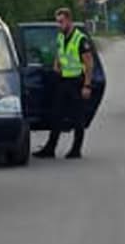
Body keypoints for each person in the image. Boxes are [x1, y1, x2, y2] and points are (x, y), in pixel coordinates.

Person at [34, 8, 94, 160]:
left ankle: (76, 150)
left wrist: (87, 85)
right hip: (63, 81)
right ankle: (50, 148)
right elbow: (60, 53)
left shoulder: (80, 39)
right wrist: (56, 64)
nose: (59, 25)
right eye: (57, 22)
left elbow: (88, 63)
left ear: (69, 20)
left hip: (77, 81)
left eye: (61, 21)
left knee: (77, 118)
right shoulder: (61, 37)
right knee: (56, 115)